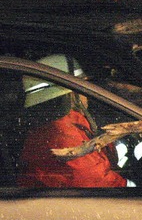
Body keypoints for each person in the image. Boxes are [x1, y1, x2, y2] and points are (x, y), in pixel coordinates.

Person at [18, 54, 130, 188]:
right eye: (83, 87)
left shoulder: (64, 124)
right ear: (71, 94)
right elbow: (96, 181)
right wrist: (136, 187)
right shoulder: (62, 135)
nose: (86, 95)